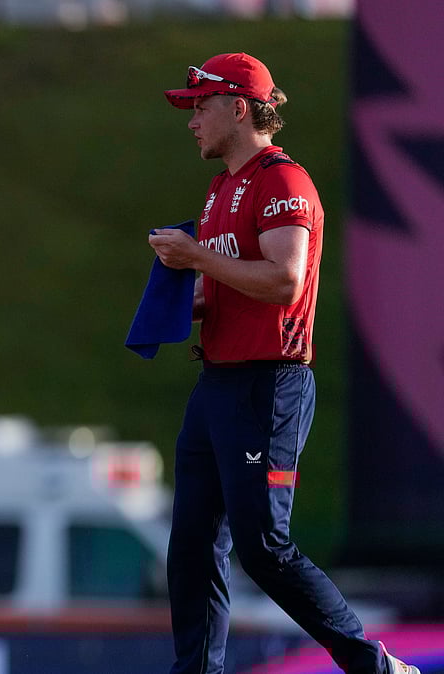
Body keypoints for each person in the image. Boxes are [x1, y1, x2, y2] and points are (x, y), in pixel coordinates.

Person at [150, 53, 418, 674]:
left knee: (263, 547)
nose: (191, 121)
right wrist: (170, 305)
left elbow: (284, 281)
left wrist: (195, 258)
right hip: (217, 380)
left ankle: (375, 666)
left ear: (239, 108)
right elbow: (230, 284)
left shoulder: (282, 181)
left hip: (267, 383)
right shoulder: (222, 188)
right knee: (190, 547)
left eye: (200, 107)